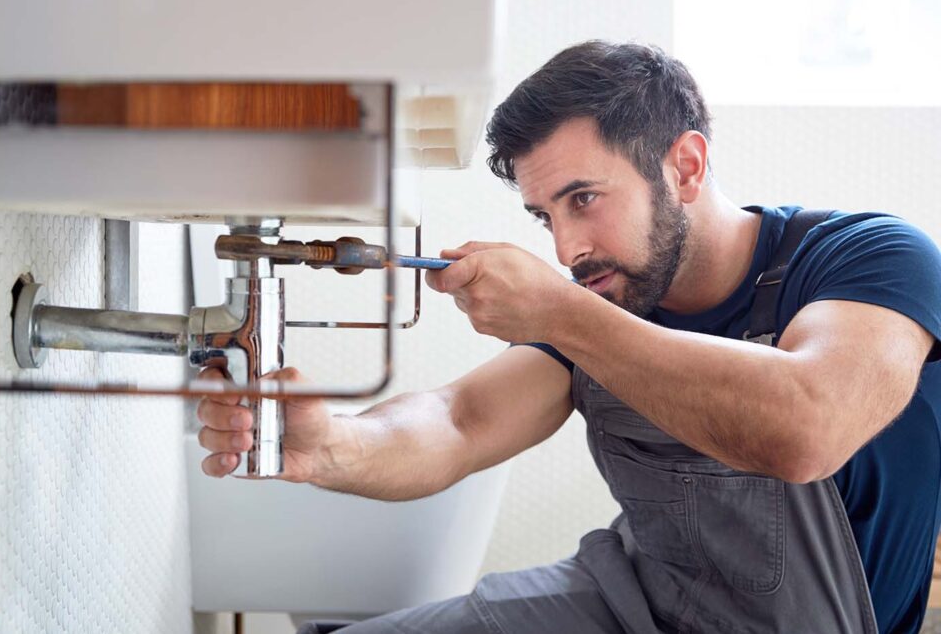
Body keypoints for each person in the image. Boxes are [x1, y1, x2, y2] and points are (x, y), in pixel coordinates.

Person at [196, 41, 941, 633]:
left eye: (584, 199)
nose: (567, 249)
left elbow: (806, 426)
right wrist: (330, 443)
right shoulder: (608, 294)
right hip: (622, 601)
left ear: (684, 165)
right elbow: (459, 420)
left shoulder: (872, 259)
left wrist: (561, 312)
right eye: (545, 215)